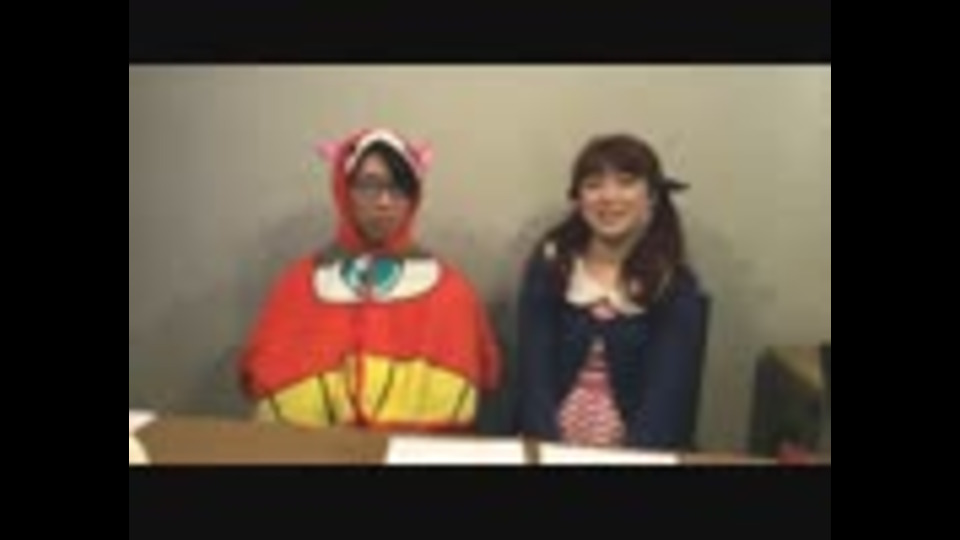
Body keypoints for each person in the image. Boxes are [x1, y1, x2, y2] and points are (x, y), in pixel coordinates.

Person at [240, 127, 501, 433]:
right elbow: (263, 382)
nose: (385, 201)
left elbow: (477, 383)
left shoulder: (451, 292)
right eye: (369, 186)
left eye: (399, 187)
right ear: (344, 191)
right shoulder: (298, 286)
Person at [517, 133, 708, 450]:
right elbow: (533, 379)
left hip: (637, 453)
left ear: (652, 196)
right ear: (578, 199)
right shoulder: (552, 265)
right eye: (593, 185)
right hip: (548, 448)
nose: (609, 197)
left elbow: (666, 399)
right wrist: (549, 451)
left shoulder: (674, 285)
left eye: (626, 182)